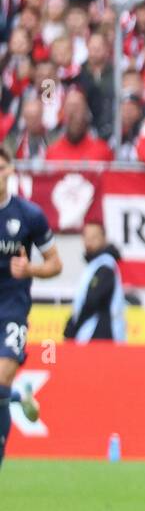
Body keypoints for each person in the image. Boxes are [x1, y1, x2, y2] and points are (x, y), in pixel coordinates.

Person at [0, 146, 61, 469]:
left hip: (12, 307)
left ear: (10, 171)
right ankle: (18, 400)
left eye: (1, 168)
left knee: (2, 376)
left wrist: (30, 270)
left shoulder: (28, 215)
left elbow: (56, 264)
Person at [64, 221, 125, 343]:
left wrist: (72, 329)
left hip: (100, 335)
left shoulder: (105, 267)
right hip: (91, 334)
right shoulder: (94, 266)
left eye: (94, 237)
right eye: (86, 237)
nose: (89, 242)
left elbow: (92, 300)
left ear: (104, 239)